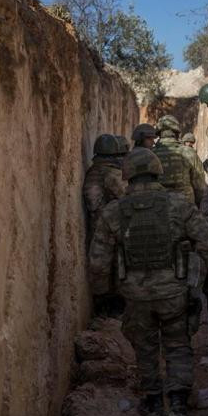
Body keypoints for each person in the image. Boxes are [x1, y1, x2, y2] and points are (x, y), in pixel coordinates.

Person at [88, 149, 208, 416]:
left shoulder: (114, 211)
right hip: (174, 291)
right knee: (177, 344)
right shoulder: (178, 205)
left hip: (135, 296)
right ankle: (178, 404)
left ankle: (152, 403)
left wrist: (103, 295)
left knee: (145, 347)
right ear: (157, 171)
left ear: (128, 175)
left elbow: (98, 261)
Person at [83, 134, 128, 315]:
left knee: (101, 267)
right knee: (117, 266)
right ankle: (114, 307)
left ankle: (104, 305)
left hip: (97, 227)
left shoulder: (93, 171)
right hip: (110, 228)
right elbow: (127, 197)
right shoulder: (111, 173)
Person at [152, 115, 206, 207]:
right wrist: (196, 204)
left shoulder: (150, 154)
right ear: (176, 132)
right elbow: (199, 185)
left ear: (158, 133)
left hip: (157, 207)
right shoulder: (188, 152)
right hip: (185, 206)